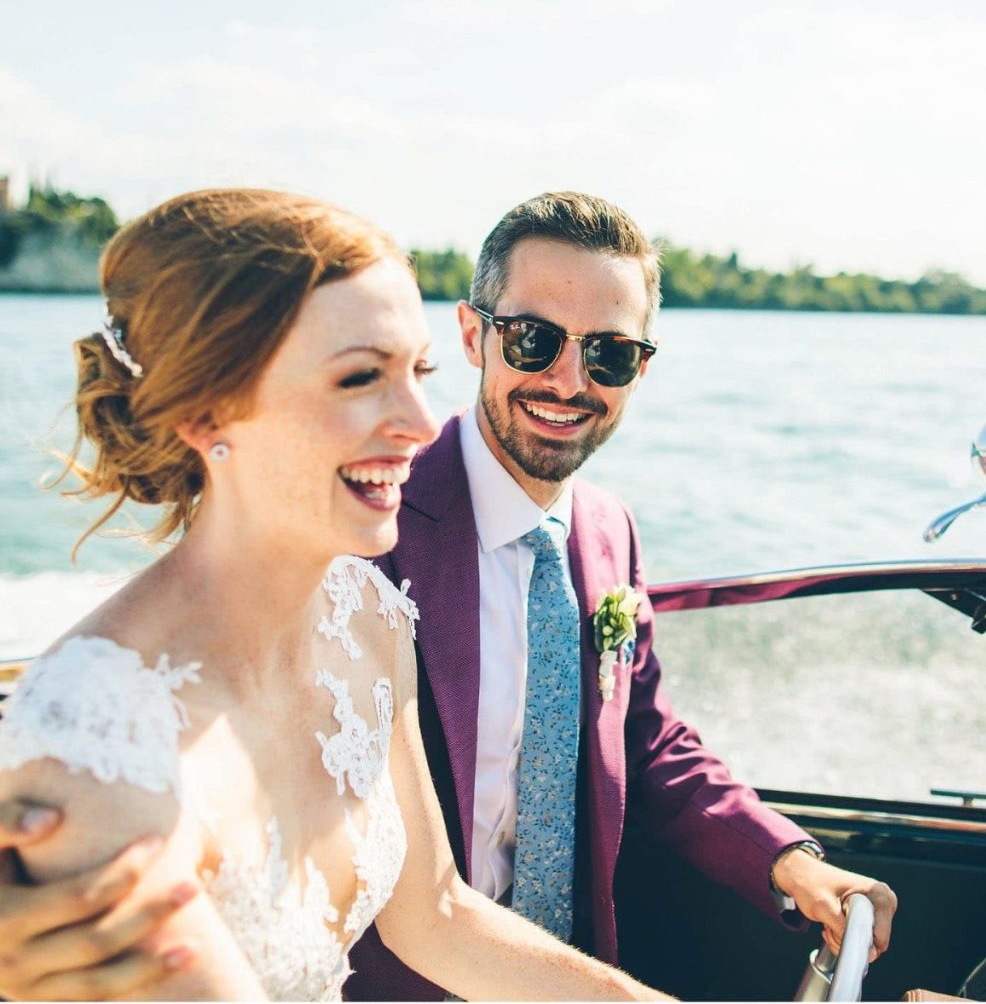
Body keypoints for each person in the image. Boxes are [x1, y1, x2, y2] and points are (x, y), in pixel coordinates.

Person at [0, 191, 896, 1001]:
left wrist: (778, 863)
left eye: (611, 353)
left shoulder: (377, 618)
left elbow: (443, 898)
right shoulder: (104, 747)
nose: (424, 425)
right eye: (358, 376)